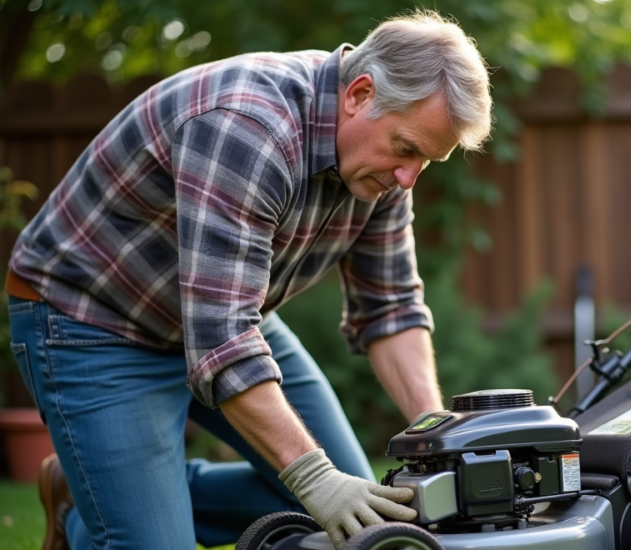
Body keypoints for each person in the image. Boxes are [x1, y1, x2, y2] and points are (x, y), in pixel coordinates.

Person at [7, 10, 492, 550]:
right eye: (406, 149)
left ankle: (101, 487)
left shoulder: (381, 168)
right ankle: (102, 501)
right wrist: (313, 478)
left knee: (363, 512)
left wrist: (437, 435)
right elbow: (222, 341)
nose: (409, 178)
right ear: (359, 94)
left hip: (227, 316)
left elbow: (391, 309)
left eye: (427, 160)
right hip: (93, 321)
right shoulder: (249, 127)